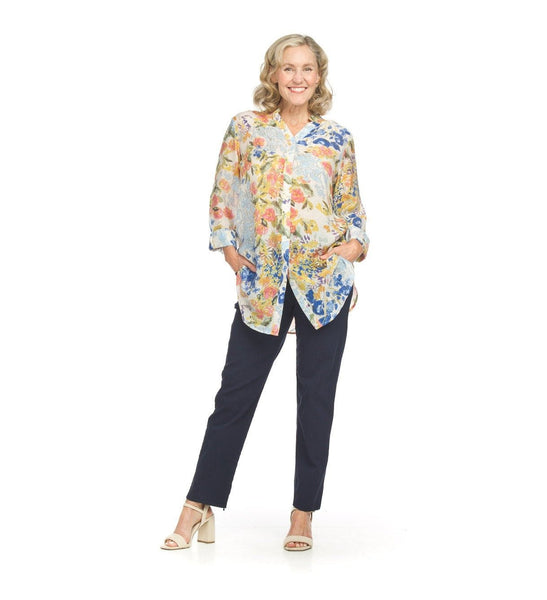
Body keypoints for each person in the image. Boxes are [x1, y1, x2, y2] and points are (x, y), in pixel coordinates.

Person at [161, 33, 369, 552]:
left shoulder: (337, 137)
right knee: (235, 395)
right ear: (273, 74)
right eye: (288, 68)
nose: (298, 77)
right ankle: (197, 506)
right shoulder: (247, 129)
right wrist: (230, 250)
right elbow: (223, 194)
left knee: (316, 402)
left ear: (319, 76)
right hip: (264, 285)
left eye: (307, 69)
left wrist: (353, 247)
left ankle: (303, 514)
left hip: (324, 284)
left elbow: (352, 208)